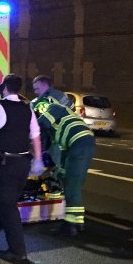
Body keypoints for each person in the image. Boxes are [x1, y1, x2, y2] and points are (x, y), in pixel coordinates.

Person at [0, 73, 44, 262]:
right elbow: (35, 135)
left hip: (5, 165)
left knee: (8, 206)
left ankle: (18, 250)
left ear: (3, 87)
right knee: (3, 203)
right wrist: (38, 160)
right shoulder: (27, 108)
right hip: (23, 163)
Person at [37, 101, 96, 237]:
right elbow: (62, 150)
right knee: (73, 182)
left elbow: (41, 124)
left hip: (79, 144)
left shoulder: (54, 107)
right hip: (83, 144)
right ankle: (78, 222)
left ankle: (69, 226)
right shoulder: (62, 123)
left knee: (72, 185)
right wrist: (61, 170)